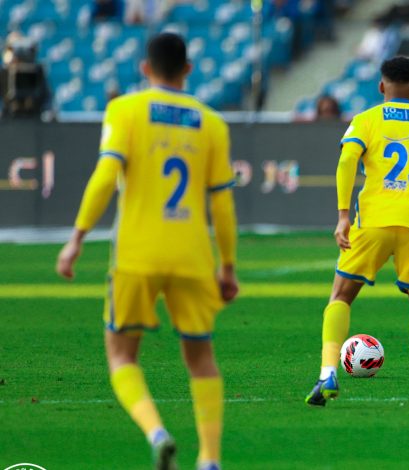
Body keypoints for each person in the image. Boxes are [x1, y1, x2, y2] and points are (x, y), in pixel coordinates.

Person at [56, 32, 238, 470]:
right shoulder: (211, 122)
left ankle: (157, 432)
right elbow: (222, 202)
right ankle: (209, 459)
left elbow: (105, 175)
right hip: (193, 256)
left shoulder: (126, 110)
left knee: (121, 355)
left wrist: (77, 237)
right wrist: (228, 265)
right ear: (188, 70)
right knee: (201, 359)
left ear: (144, 68)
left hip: (136, 255)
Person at [304, 56, 409, 408]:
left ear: (381, 86)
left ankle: (327, 374)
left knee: (341, 296)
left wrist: (343, 215)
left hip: (373, 222)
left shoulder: (366, 120)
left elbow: (347, 161)